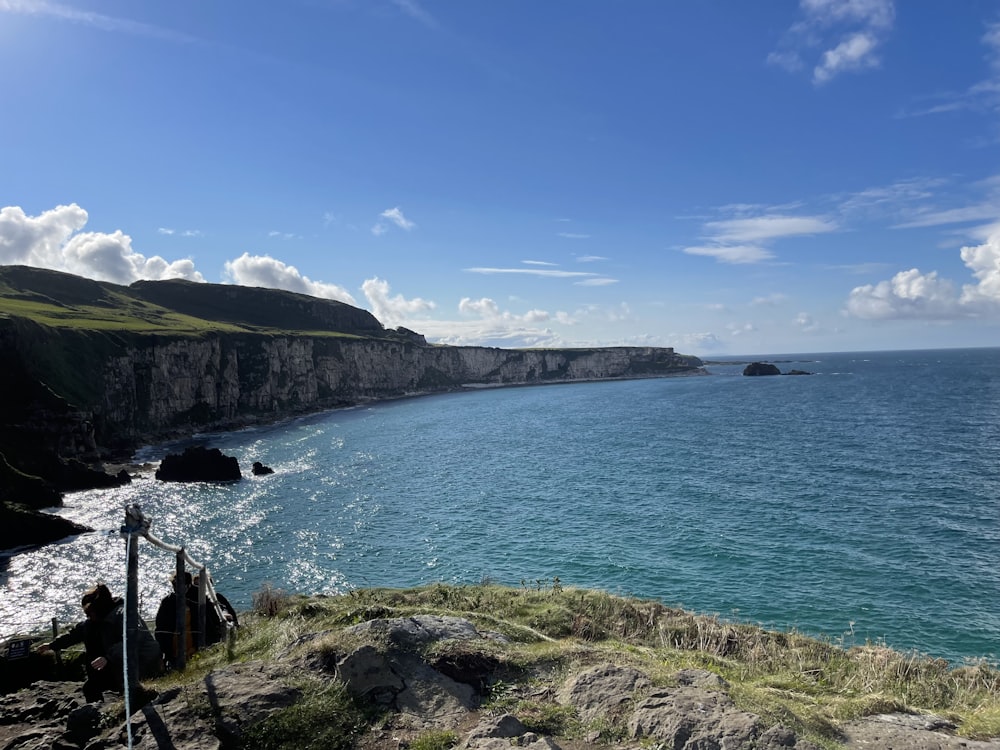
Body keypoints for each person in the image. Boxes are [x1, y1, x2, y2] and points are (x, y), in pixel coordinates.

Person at [37, 583, 161, 702]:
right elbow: (74, 635)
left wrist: (108, 657)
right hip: (117, 663)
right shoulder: (94, 622)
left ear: (99, 608)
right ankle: (98, 715)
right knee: (91, 687)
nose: (88, 617)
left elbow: (133, 639)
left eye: (89, 613)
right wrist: (52, 645)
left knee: (132, 692)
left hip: (143, 663)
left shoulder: (124, 615)